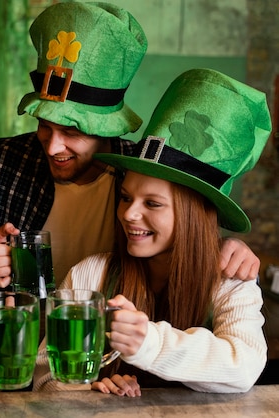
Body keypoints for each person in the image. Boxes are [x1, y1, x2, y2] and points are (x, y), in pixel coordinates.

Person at [0, 1, 260, 289]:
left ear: (106, 127)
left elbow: (184, 237)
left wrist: (228, 248)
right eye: (44, 126)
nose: (52, 147)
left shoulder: (143, 171)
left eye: (72, 131)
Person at [35, 68, 269, 394]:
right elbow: (45, 376)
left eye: (153, 204)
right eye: (126, 197)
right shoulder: (90, 274)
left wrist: (148, 342)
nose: (128, 213)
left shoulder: (230, 281)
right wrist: (90, 390)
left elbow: (244, 366)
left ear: (192, 217)